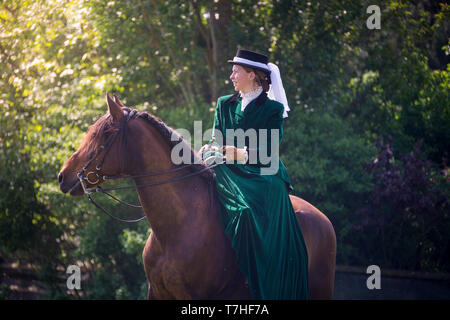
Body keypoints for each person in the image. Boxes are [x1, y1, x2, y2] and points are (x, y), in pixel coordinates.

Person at [199, 49, 308, 300]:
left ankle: (253, 272)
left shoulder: (272, 109)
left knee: (246, 212)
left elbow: (270, 149)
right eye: (233, 70)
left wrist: (242, 153)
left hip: (262, 172)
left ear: (253, 75)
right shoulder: (224, 103)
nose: (231, 76)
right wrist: (212, 147)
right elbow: (218, 138)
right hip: (227, 166)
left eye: (236, 71)